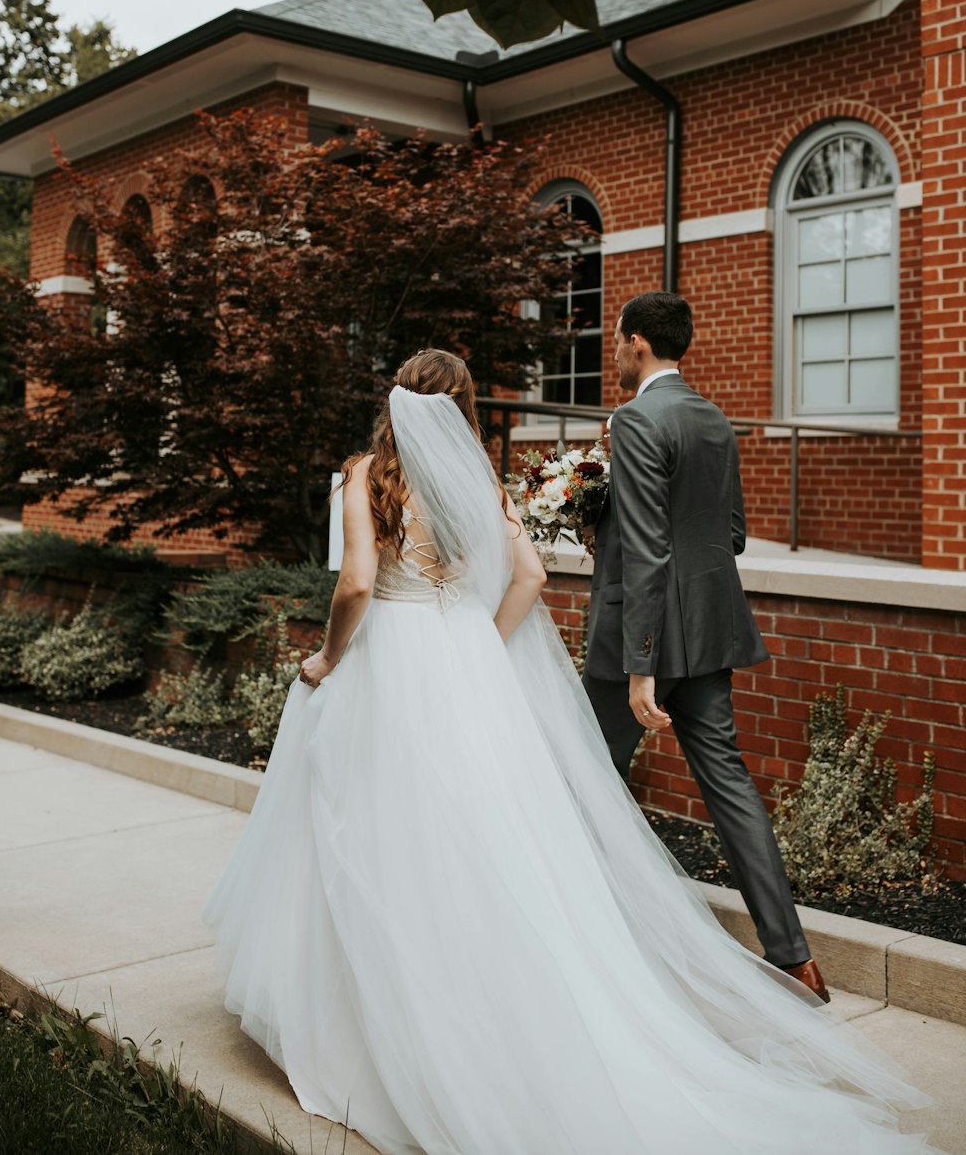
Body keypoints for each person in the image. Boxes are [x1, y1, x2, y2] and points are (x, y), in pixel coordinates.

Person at [203, 348, 932, 1155]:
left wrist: (327, 660)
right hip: (463, 662)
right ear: (467, 406)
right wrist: (474, 643)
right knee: (490, 842)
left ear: (395, 402)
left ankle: (371, 1020)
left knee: (375, 834)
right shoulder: (479, 478)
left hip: (389, 663)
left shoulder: (366, 473)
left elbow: (355, 587)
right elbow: (529, 578)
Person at [583, 291, 826, 999]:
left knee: (577, 784)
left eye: (618, 341)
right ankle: (795, 959)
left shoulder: (635, 420)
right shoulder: (715, 420)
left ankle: (585, 943)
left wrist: (640, 668)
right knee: (732, 789)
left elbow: (648, 553)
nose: (617, 352)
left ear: (636, 344)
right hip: (710, 640)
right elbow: (732, 535)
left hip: (646, 647)